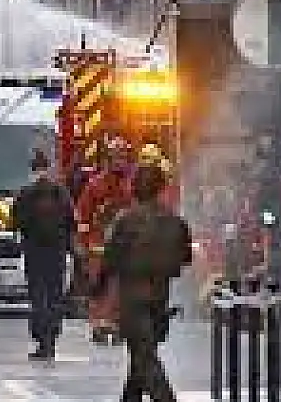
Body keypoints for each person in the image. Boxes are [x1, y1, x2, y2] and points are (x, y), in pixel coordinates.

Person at [92, 161, 192, 402]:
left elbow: (110, 259)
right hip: (160, 294)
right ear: (160, 187)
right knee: (143, 350)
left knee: (144, 356)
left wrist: (98, 290)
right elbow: (185, 258)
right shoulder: (175, 221)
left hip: (133, 296)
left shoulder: (126, 220)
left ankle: (164, 397)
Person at [12, 149, 74, 360]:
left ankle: (42, 341)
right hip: (56, 253)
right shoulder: (61, 193)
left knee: (38, 296)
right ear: (48, 168)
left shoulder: (25, 193)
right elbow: (70, 221)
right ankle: (52, 340)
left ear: (32, 169)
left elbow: (17, 222)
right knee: (55, 295)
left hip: (34, 253)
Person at [76, 138, 137, 343]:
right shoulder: (95, 185)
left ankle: (119, 324)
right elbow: (84, 216)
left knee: (123, 288)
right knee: (98, 288)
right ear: (108, 159)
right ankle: (100, 325)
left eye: (122, 157)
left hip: (127, 248)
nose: (119, 161)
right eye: (115, 157)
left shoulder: (134, 185)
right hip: (99, 248)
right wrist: (83, 245)